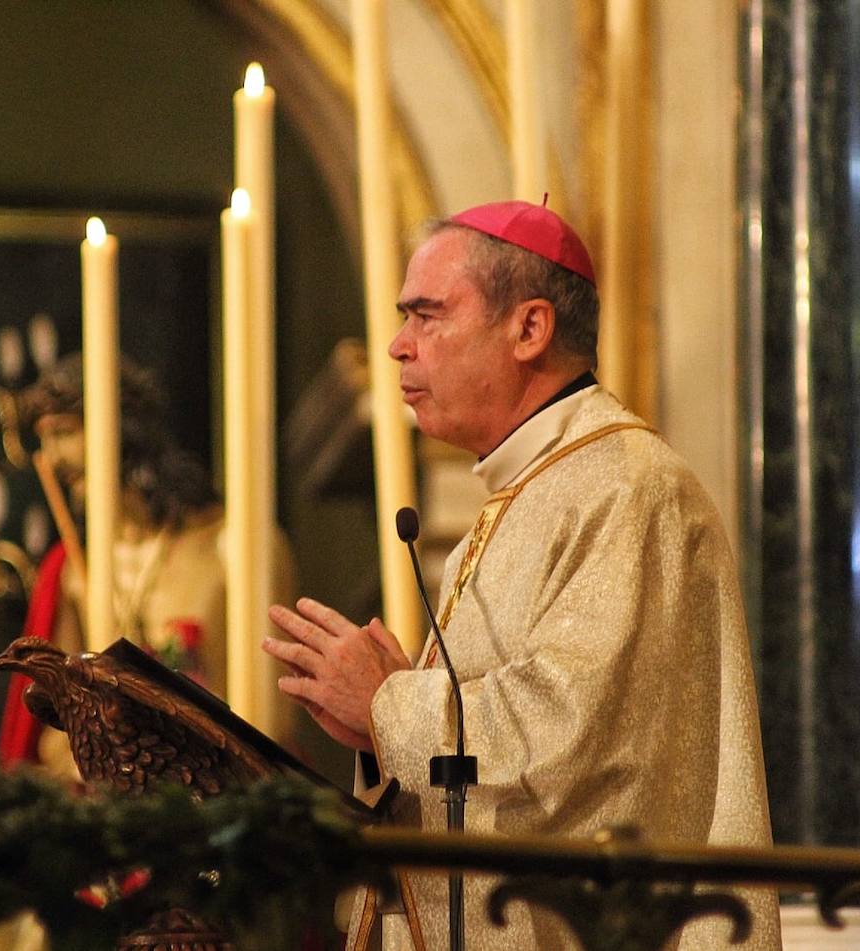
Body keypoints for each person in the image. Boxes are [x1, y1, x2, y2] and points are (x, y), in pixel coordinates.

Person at [263, 200, 780, 950]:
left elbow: (569, 742)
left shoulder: (629, 491)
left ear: (529, 329)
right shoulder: (521, 494)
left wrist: (393, 702)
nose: (397, 346)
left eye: (427, 315)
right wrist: (379, 732)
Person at [0, 353, 295, 777]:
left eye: (64, 433)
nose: (52, 459)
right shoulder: (74, 571)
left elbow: (270, 719)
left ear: (122, 428)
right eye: (43, 439)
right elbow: (55, 725)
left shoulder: (234, 549)